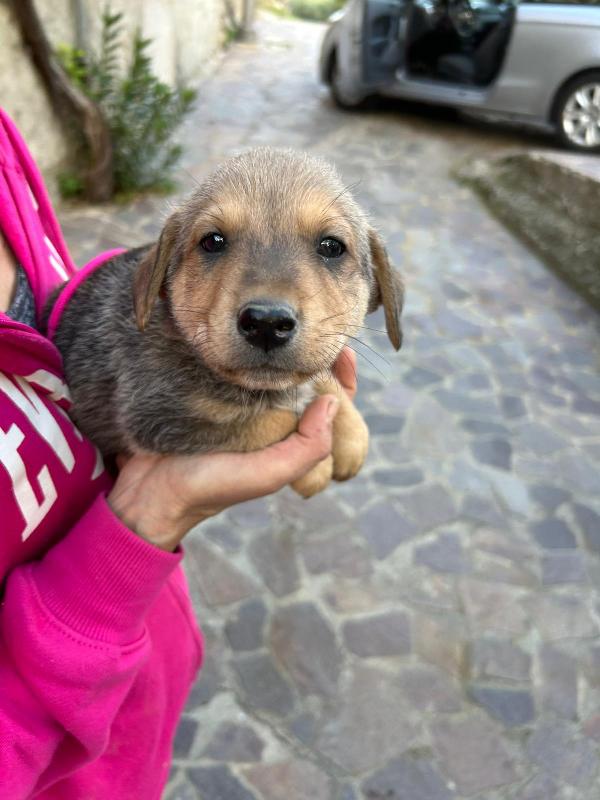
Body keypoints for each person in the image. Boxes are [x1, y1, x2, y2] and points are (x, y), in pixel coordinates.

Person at [0, 107, 355, 799]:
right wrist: (139, 531)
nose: (272, 301)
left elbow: (52, 297)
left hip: (144, 680)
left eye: (332, 248)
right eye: (215, 241)